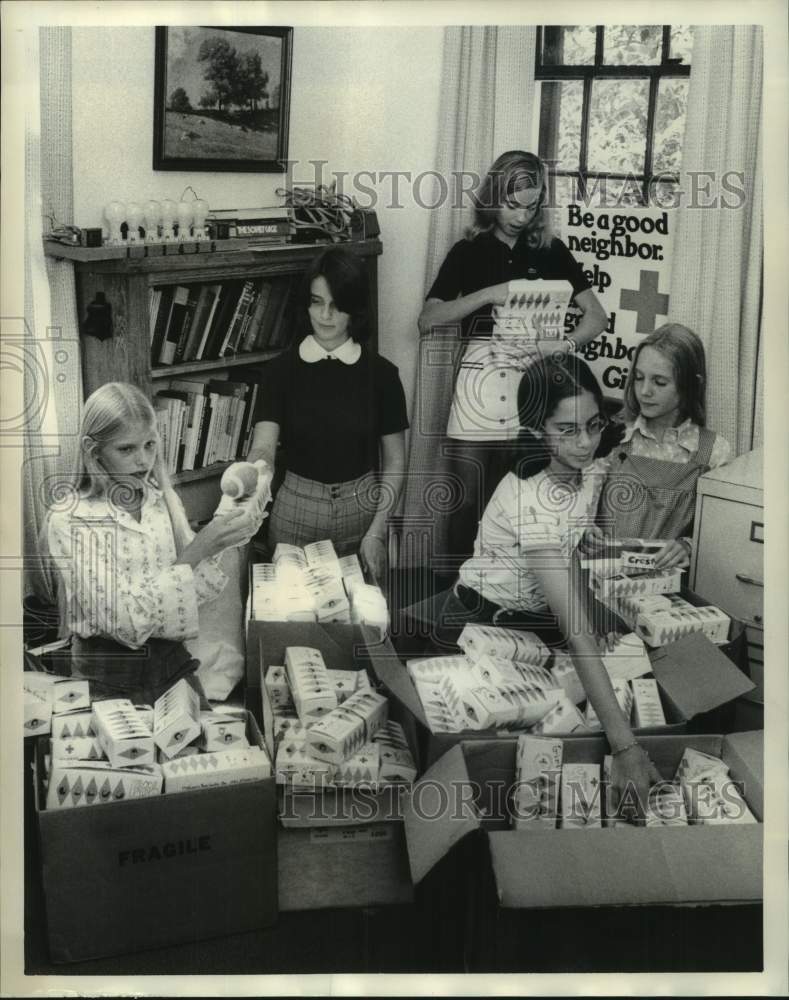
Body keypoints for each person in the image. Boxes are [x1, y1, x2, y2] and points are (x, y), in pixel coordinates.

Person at [425, 354, 661, 810]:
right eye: (567, 430)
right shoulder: (531, 499)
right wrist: (627, 748)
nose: (586, 442)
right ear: (536, 430)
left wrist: (579, 542)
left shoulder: (586, 469)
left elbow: (567, 552)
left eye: (593, 424)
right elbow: (574, 628)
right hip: (478, 627)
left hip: (532, 625)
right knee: (501, 776)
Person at [418, 150, 607, 561]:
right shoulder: (468, 252)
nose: (522, 216)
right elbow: (427, 320)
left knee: (525, 502)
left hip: (532, 388)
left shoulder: (551, 250)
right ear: (493, 198)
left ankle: (516, 598)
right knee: (466, 507)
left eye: (532, 205)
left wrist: (565, 345)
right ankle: (456, 601)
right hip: (477, 392)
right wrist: (488, 294)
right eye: (512, 205)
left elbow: (596, 317)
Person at [46, 382, 255, 704]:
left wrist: (221, 541)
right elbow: (124, 625)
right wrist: (197, 551)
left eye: (149, 445)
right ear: (93, 450)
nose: (143, 460)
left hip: (172, 662)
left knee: (210, 750)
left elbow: (196, 596)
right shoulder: (71, 518)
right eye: (126, 449)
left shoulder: (162, 500)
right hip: (107, 675)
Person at [246, 246, 409, 583]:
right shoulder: (280, 371)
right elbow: (263, 448)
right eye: (317, 302)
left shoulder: (382, 375)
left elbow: (395, 462)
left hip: (363, 512)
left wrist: (377, 532)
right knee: (290, 621)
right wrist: (252, 478)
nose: (325, 316)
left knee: (362, 623)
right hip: (295, 511)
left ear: (355, 309)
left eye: (337, 305)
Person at [592, 323, 731, 569]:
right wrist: (585, 530)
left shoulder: (715, 451)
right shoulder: (614, 436)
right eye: (638, 378)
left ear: (691, 385)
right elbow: (578, 509)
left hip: (666, 589)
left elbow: (719, 533)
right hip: (602, 576)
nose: (645, 391)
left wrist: (688, 545)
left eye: (660, 382)